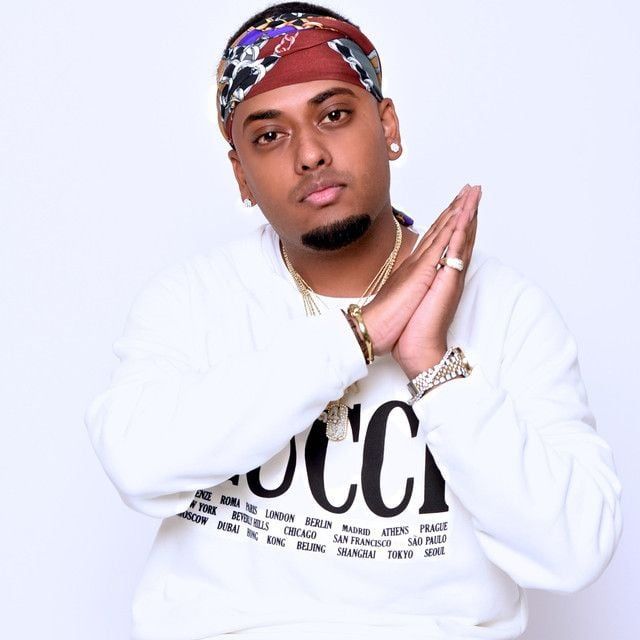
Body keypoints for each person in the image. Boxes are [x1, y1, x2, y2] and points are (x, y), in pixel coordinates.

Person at [85, 3, 622, 639]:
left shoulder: (506, 309)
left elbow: (575, 549)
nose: (310, 154)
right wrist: (356, 337)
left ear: (387, 125)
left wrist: (433, 364)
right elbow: (136, 464)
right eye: (269, 136)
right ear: (241, 176)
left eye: (334, 115)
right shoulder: (196, 299)